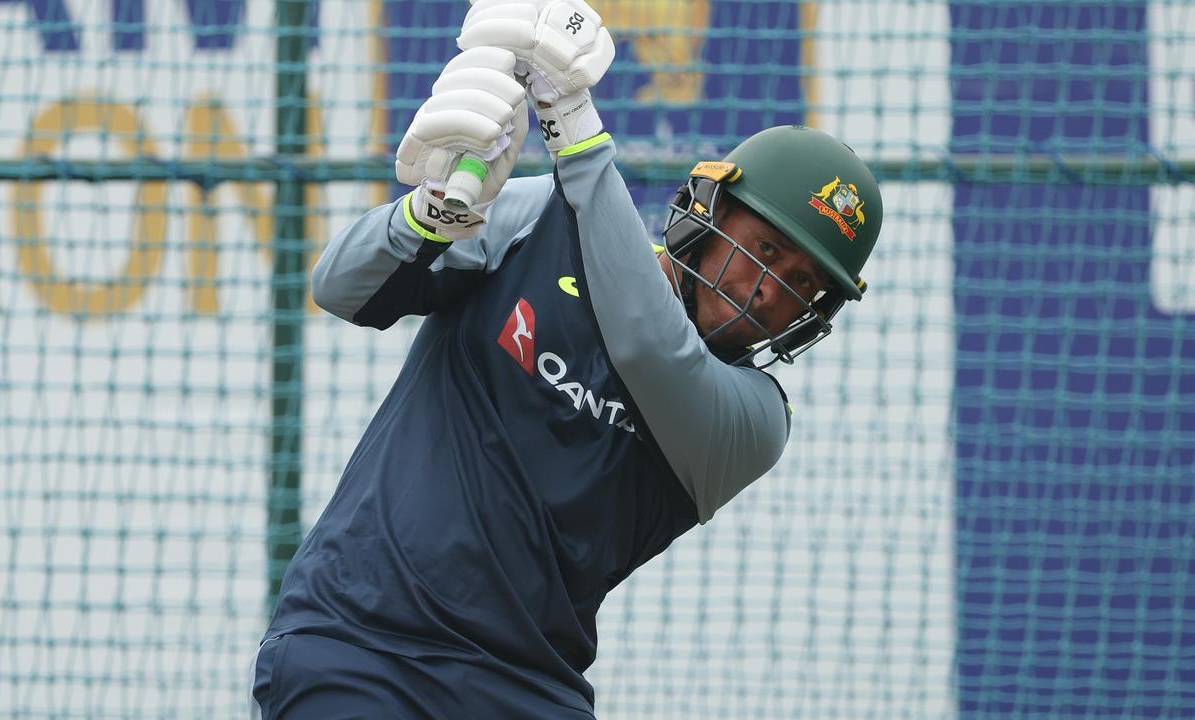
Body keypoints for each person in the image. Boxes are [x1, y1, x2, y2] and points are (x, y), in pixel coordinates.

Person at [250, 1, 882, 717]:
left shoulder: (755, 419)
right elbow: (340, 287)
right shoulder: (538, 222)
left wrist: (575, 127)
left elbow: (648, 344)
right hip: (362, 642)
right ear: (707, 211)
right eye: (763, 249)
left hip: (527, 689)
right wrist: (422, 216)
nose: (767, 289)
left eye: (803, 283)